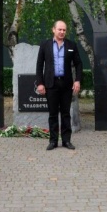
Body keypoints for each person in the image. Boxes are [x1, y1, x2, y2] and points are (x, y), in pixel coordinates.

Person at [36, 20, 83, 150]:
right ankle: (53, 141)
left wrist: (77, 80)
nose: (62, 32)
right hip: (51, 84)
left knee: (66, 113)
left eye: (64, 30)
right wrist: (40, 83)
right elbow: (40, 65)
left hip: (66, 84)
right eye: (59, 29)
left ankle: (67, 141)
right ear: (53, 30)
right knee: (52, 114)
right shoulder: (45, 45)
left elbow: (79, 64)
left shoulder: (71, 45)